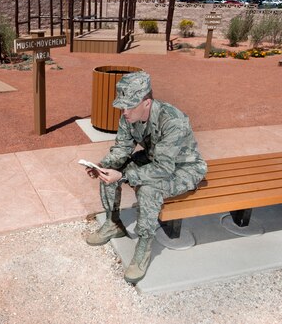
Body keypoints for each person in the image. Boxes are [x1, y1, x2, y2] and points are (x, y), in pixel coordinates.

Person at [85, 71, 207, 284]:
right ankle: (114, 223)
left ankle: (143, 246)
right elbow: (122, 148)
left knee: (150, 188)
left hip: (183, 168)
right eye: (122, 106)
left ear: (147, 103)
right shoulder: (129, 115)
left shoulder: (173, 120)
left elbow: (163, 169)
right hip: (154, 159)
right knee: (111, 168)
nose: (124, 112)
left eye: (129, 106)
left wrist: (123, 176)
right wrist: (103, 165)